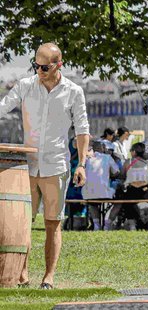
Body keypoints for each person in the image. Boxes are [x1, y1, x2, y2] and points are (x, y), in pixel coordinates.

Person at [0, 43, 90, 288]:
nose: (39, 70)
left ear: (58, 64)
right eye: (36, 65)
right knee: (23, 223)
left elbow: (82, 130)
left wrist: (81, 164)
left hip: (56, 164)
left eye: (44, 67)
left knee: (53, 223)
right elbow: (3, 107)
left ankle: (48, 277)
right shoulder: (25, 86)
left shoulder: (73, 91)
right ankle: (22, 275)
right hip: (27, 166)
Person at [117, 142, 148, 231]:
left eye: (131, 150)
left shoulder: (128, 162)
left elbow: (122, 174)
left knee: (126, 200)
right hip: (146, 190)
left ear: (134, 152)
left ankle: (132, 225)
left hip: (132, 190)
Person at [82, 140, 121, 230]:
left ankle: (96, 225)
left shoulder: (86, 159)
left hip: (88, 194)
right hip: (105, 193)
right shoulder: (107, 157)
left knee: (92, 203)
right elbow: (116, 172)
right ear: (103, 148)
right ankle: (107, 224)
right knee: (119, 202)